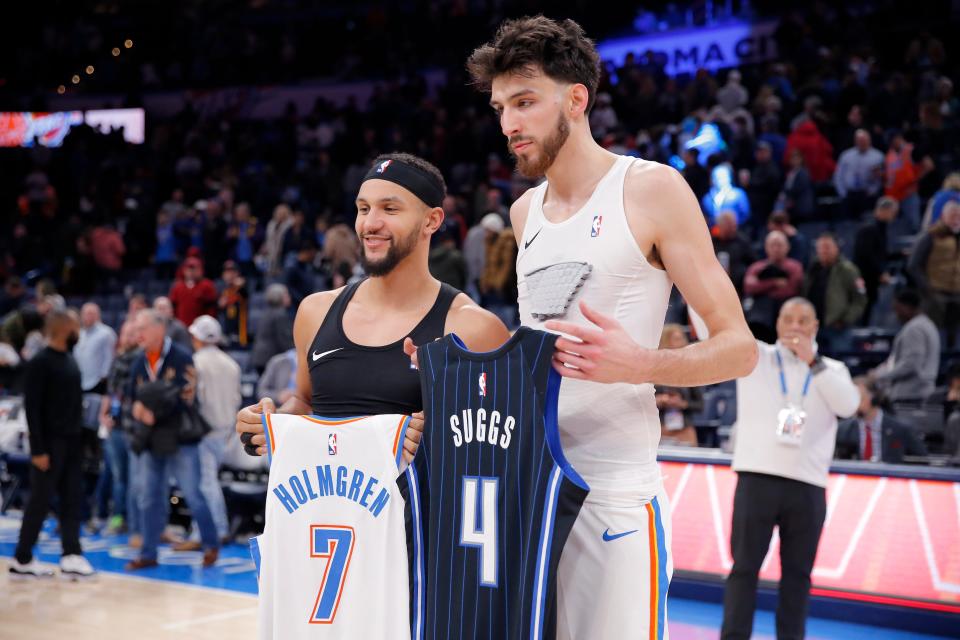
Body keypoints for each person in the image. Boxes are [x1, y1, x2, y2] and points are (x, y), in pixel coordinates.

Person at [468, 16, 757, 638]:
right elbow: (538, 347)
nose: (509, 124)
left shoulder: (651, 188)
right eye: (500, 108)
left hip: (614, 494)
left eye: (524, 102)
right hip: (531, 489)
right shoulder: (524, 212)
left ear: (576, 99)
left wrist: (644, 365)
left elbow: (739, 349)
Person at [236, 152, 509, 468]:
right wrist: (268, 423)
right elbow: (306, 402)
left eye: (390, 209)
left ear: (431, 220)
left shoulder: (473, 329)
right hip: (326, 513)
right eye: (363, 209)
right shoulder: (315, 311)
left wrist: (439, 437)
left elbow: (501, 456)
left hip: (414, 516)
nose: (370, 223)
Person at [722, 298, 859, 640]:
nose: (795, 326)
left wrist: (813, 361)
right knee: (744, 570)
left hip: (808, 485)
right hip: (756, 478)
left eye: (803, 320)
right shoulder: (755, 356)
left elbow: (849, 406)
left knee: (798, 576)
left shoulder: (833, 369)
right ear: (778, 324)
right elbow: (713, 326)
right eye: (788, 319)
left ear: (815, 327)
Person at [125, 309, 220, 570]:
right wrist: (145, 405)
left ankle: (211, 545)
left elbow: (185, 396)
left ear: (159, 328)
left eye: (142, 327)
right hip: (152, 438)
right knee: (148, 496)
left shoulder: (181, 356)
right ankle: (148, 552)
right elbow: (133, 397)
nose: (137, 333)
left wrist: (151, 408)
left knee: (193, 493)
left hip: (181, 437)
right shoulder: (138, 360)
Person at [10, 309, 96, 579]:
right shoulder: (40, 362)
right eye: (75, 327)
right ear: (63, 329)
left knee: (72, 498)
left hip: (72, 442)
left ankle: (71, 554)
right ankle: (22, 558)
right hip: (49, 443)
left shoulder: (69, 359)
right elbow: (32, 408)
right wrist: (37, 450)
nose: (78, 332)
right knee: (40, 500)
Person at [179, 315, 240, 546]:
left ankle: (208, 532)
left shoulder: (195, 362)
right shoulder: (231, 363)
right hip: (225, 430)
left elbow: (194, 397)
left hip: (203, 429)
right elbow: (236, 399)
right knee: (209, 480)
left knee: (205, 483)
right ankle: (216, 528)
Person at [868, 289, 940, 405]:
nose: (896, 315)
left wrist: (879, 376)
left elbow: (911, 364)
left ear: (907, 307)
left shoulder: (914, 329)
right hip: (920, 391)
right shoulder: (928, 324)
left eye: (898, 309)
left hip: (910, 394)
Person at [836, 377, 927, 463]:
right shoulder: (843, 430)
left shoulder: (901, 429)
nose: (853, 404)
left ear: (874, 398)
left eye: (858, 399)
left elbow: (922, 460)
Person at [803, 233, 867, 353]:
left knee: (839, 361)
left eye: (827, 247)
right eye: (820, 247)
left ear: (837, 248)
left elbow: (860, 299)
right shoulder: (813, 268)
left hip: (837, 328)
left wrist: (846, 320)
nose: (823, 251)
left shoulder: (848, 270)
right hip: (813, 326)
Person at [908, 200, 960, 348]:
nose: (956, 220)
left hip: (957, 295)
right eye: (953, 216)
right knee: (931, 336)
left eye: (959, 216)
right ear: (943, 216)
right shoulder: (931, 235)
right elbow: (913, 265)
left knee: (954, 338)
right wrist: (927, 289)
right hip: (935, 295)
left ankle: (952, 369)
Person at [743, 231, 804, 342]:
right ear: (766, 247)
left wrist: (762, 289)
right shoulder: (756, 267)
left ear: (787, 247)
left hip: (786, 316)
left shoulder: (795, 267)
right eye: (772, 245)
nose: (776, 249)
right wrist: (774, 283)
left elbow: (791, 289)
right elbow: (749, 287)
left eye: (779, 245)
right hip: (760, 321)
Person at [853, 197, 899, 324]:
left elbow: (880, 254)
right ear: (883, 210)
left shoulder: (880, 228)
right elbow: (866, 254)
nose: (894, 216)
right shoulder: (869, 227)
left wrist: (899, 254)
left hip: (872, 278)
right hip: (865, 277)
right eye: (892, 212)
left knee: (870, 309)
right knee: (864, 309)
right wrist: (880, 272)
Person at [656, 324, 703, 446]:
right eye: (676, 339)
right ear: (666, 342)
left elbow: (700, 405)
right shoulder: (654, 370)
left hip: (685, 430)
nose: (682, 342)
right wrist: (659, 401)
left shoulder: (690, 371)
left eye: (682, 338)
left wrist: (682, 404)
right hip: (660, 428)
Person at [250, 283, 294, 375]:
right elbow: (284, 340)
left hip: (259, 357)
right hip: (270, 358)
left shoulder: (266, 312)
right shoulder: (280, 315)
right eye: (286, 295)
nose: (289, 297)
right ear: (279, 297)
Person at [168, 256, 218, 328]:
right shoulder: (177, 286)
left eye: (194, 269)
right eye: (189, 269)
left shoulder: (207, 286)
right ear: (184, 270)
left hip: (201, 328)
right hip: (181, 326)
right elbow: (173, 307)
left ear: (200, 270)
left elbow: (212, 309)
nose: (191, 272)